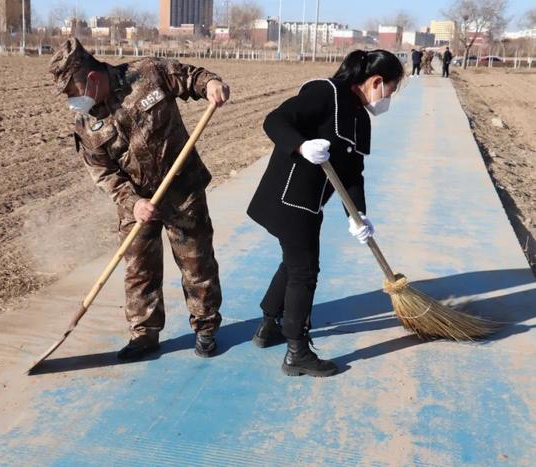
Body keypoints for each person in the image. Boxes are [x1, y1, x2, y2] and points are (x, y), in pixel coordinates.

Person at [48, 38, 230, 361]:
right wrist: (132, 202)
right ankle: (144, 334)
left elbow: (190, 77)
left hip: (181, 189)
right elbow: (104, 174)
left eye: (71, 92)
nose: (71, 101)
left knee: (196, 260)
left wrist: (211, 84)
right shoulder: (85, 123)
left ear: (90, 79)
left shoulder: (147, 73)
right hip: (136, 201)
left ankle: (205, 328)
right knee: (138, 270)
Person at [247, 49, 405, 377]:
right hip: (288, 198)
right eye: (391, 89)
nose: (390, 97)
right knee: (305, 270)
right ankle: (297, 351)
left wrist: (358, 215)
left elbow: (353, 172)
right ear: (376, 82)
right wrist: (301, 145)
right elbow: (274, 120)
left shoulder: (360, 117)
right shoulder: (325, 92)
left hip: (309, 204)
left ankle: (268, 326)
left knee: (294, 263)